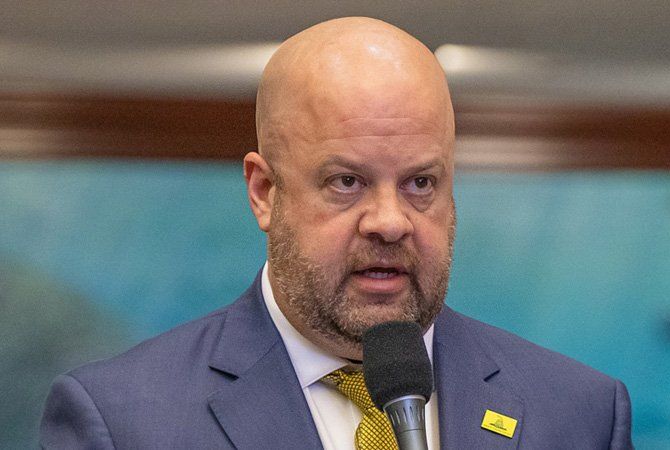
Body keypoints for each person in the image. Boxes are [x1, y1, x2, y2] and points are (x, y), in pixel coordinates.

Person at [40, 17, 633, 449]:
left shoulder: (579, 414)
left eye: (421, 183)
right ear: (264, 192)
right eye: (347, 182)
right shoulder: (123, 422)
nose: (390, 221)